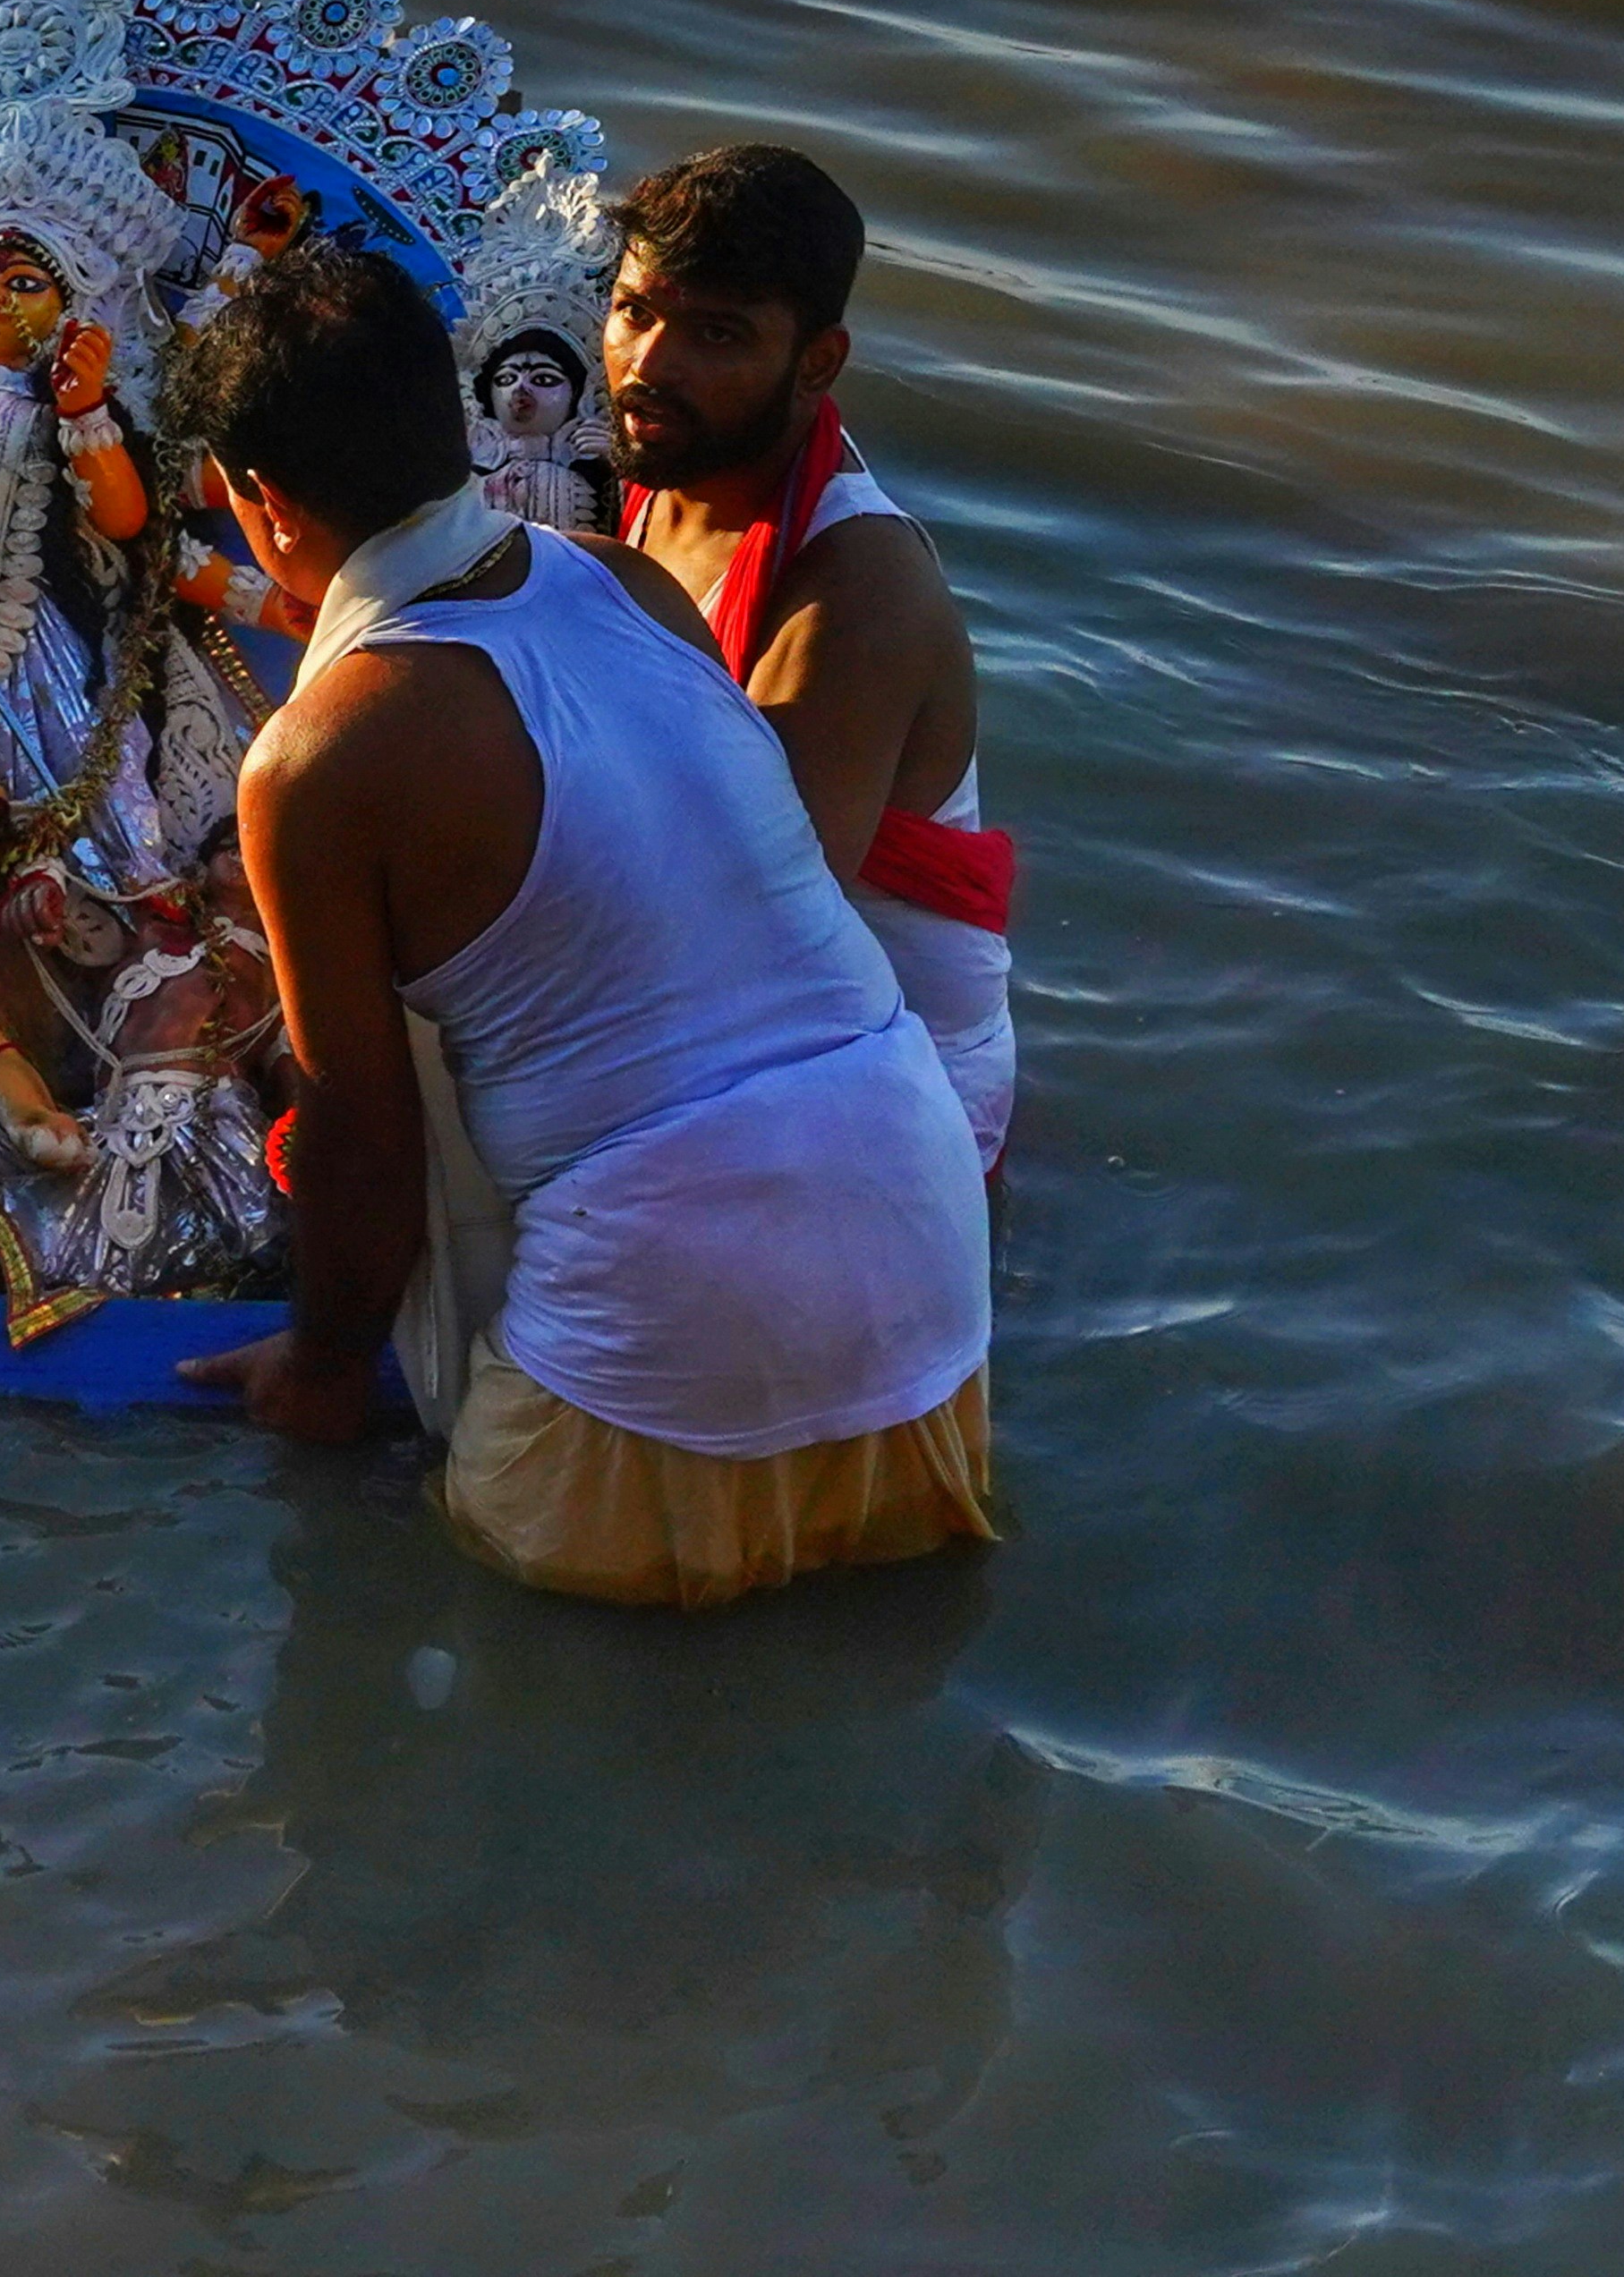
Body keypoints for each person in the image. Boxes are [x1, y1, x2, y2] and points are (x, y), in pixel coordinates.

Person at [172, 241, 994, 1609]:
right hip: (922, 1234)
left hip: (668, 1302)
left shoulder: (318, 761)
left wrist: (319, 1378)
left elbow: (360, 1131)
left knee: (511, 1669)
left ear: (263, 507)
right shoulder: (628, 581)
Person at [602, 145, 1020, 1175]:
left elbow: (759, 934)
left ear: (819, 362)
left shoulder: (854, 593)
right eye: (635, 312)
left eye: (719, 335)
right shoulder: (670, 469)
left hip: (885, 1090)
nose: (651, 364)